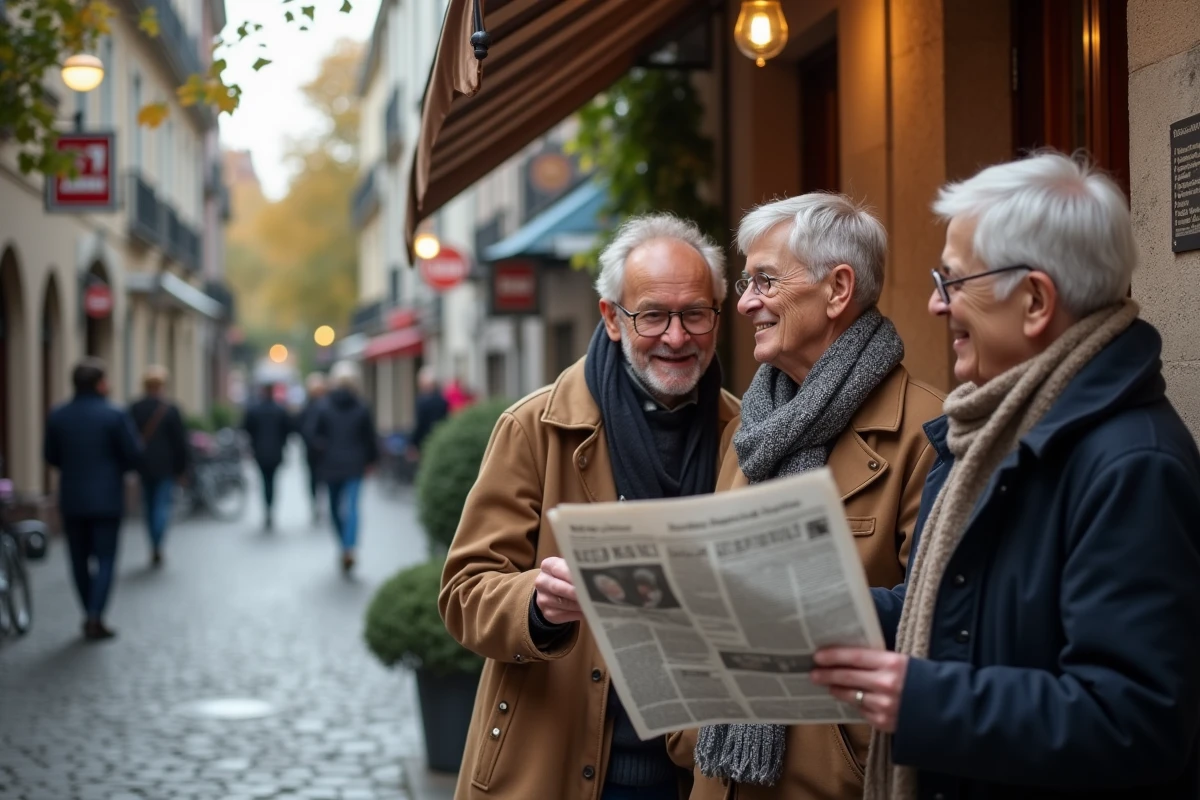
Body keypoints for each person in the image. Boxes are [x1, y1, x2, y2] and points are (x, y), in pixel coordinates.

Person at [808, 152, 1200, 800]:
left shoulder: (1133, 466)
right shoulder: (988, 432)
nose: (935, 304)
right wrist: (810, 608)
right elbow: (945, 614)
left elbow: (1135, 721)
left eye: (951, 279)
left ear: (1036, 300)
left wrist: (923, 702)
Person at [439, 213, 741, 800]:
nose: (676, 337)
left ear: (716, 318)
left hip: (695, 776)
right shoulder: (535, 426)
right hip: (554, 769)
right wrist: (538, 606)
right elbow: (464, 591)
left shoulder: (747, 434)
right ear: (610, 318)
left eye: (695, 315)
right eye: (652, 315)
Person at [669, 193, 944, 799]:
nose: (743, 303)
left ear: (838, 289)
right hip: (722, 777)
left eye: (765, 280)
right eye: (746, 281)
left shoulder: (928, 432)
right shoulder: (748, 428)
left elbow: (939, 627)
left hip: (835, 780)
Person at [43, 358, 141, 641]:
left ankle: (89, 611)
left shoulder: (59, 415)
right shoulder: (114, 414)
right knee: (106, 558)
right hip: (107, 498)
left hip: (72, 497)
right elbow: (132, 454)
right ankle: (95, 614)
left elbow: (50, 455)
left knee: (78, 560)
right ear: (100, 383)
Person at [312, 360, 378, 573]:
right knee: (352, 508)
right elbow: (370, 439)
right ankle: (348, 547)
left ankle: (344, 545)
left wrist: (320, 454)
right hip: (355, 465)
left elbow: (314, 436)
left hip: (331, 465)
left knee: (334, 509)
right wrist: (371, 461)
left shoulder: (324, 406)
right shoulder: (362, 407)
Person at [128, 365, 190, 567]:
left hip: (144, 465)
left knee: (148, 505)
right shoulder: (171, 410)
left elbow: (129, 438)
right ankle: (157, 543)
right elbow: (180, 442)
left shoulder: (135, 408)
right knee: (161, 506)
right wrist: (182, 469)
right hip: (165, 466)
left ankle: (153, 543)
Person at [242, 382, 292, 530]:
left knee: (264, 481)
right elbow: (288, 429)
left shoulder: (254, 410)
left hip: (260, 451)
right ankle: (270, 508)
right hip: (276, 452)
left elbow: (246, 428)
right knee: (273, 481)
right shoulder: (280, 410)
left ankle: (267, 508)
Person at [296, 372, 328, 523]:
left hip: (315, 451)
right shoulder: (325, 406)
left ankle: (317, 504)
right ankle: (319, 504)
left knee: (315, 479)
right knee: (319, 478)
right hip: (319, 451)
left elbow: (301, 427)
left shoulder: (308, 407)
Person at [410, 365, 449, 454]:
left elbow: (420, 424)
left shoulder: (422, 402)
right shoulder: (442, 400)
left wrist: (414, 443)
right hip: (440, 440)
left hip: (425, 442)